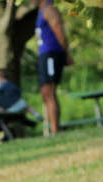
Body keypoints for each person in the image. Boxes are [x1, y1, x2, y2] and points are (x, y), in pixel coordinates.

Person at [35, 0, 72, 137]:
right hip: (44, 55)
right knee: (45, 92)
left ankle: (56, 130)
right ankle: (53, 128)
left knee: (49, 90)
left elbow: (59, 30)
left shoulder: (50, 9)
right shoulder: (41, 10)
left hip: (52, 53)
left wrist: (66, 53)